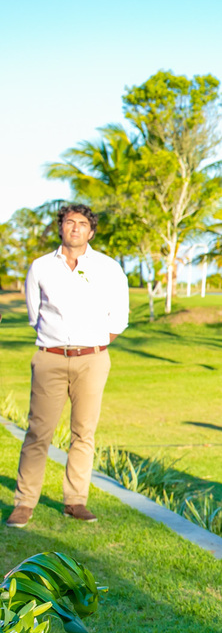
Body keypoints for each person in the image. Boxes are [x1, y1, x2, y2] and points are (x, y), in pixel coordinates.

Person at [6, 203, 129, 528]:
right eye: (69, 222)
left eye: (82, 223)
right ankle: (24, 503)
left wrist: (93, 345)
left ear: (91, 231)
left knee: (84, 433)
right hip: (49, 358)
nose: (75, 227)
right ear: (61, 227)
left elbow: (119, 317)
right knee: (37, 432)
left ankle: (75, 501)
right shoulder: (41, 267)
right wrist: (59, 343)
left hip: (93, 359)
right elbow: (36, 315)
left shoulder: (108, 267)